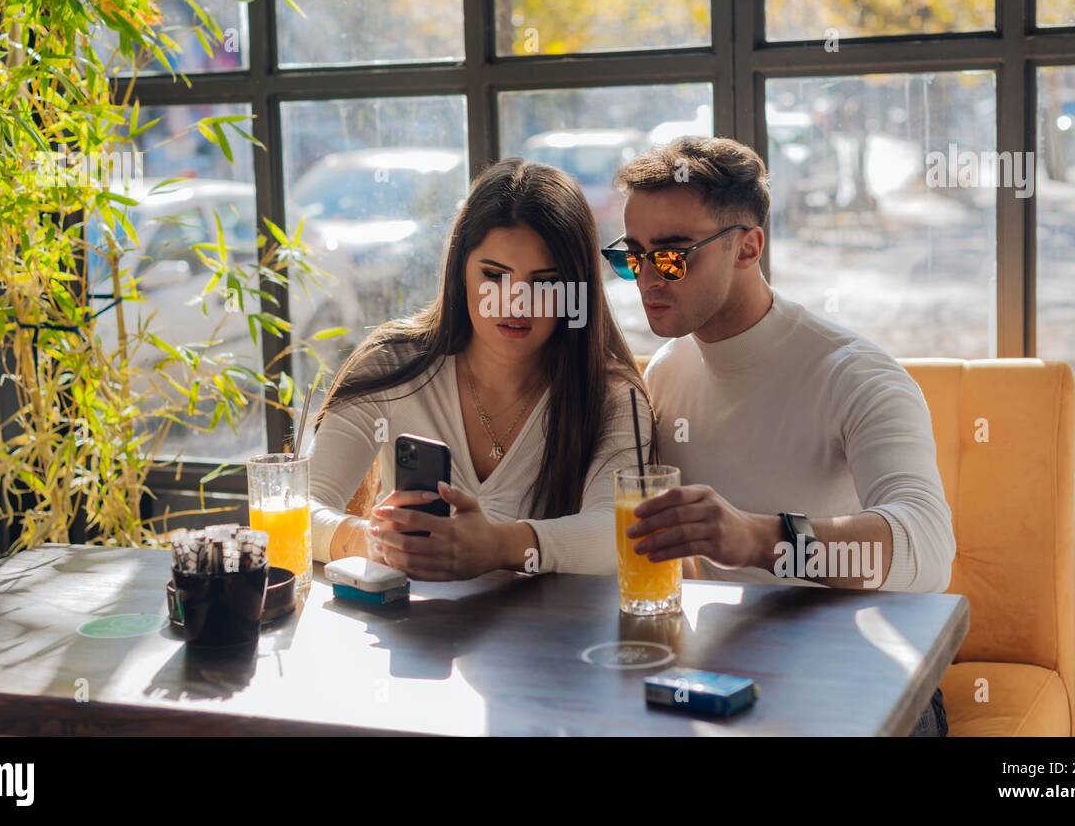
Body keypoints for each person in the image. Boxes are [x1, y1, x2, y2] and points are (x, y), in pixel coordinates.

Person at [607, 136, 955, 735]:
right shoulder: (665, 373)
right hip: (723, 682)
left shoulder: (855, 375)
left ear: (749, 247)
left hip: (861, 680)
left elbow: (928, 550)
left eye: (670, 255)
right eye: (631, 256)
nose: (645, 279)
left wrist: (764, 539)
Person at [304, 157, 652, 580]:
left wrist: (496, 546)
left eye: (544, 282)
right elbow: (300, 508)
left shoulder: (611, 396)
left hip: (554, 643)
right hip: (416, 637)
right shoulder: (392, 365)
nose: (516, 302)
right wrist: (376, 540)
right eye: (494, 275)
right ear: (460, 272)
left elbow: (617, 533)